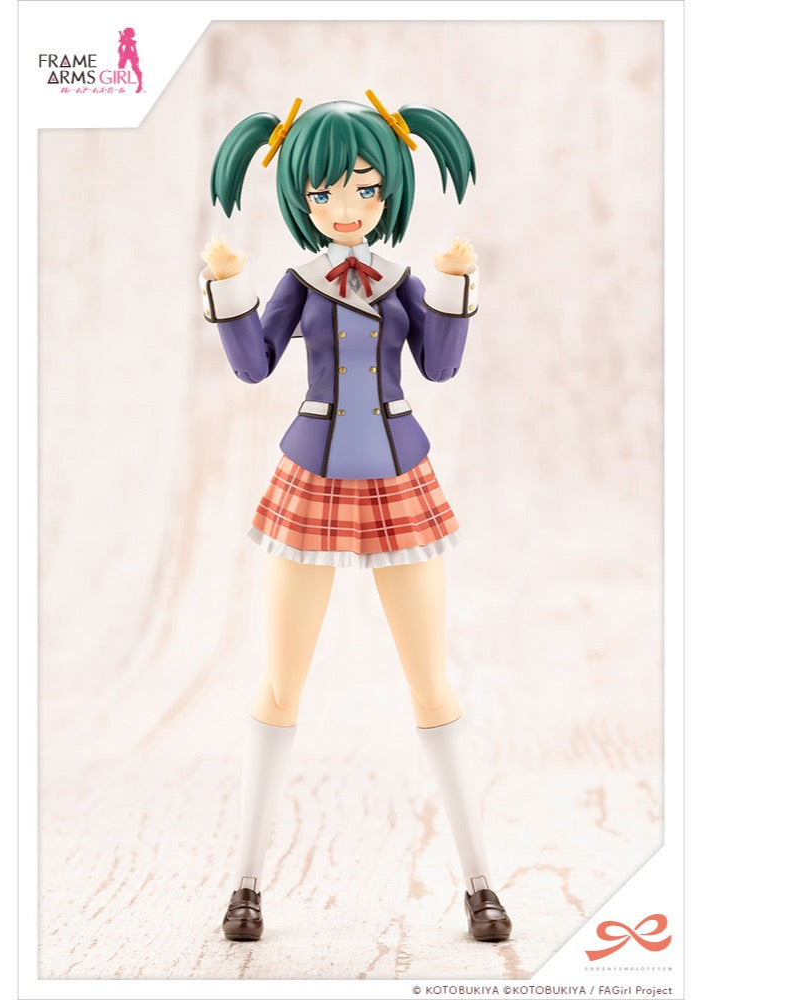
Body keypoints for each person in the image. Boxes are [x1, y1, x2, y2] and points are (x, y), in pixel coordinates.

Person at [200, 92, 511, 944]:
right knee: (280, 683)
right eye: (325, 193)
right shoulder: (300, 286)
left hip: (399, 476)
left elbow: (440, 367)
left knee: (431, 683)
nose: (346, 208)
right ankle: (246, 882)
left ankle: (479, 880)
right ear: (301, 198)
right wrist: (227, 287)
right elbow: (255, 365)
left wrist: (452, 284)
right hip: (312, 475)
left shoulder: (402, 283)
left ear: (391, 192)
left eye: (366, 190)